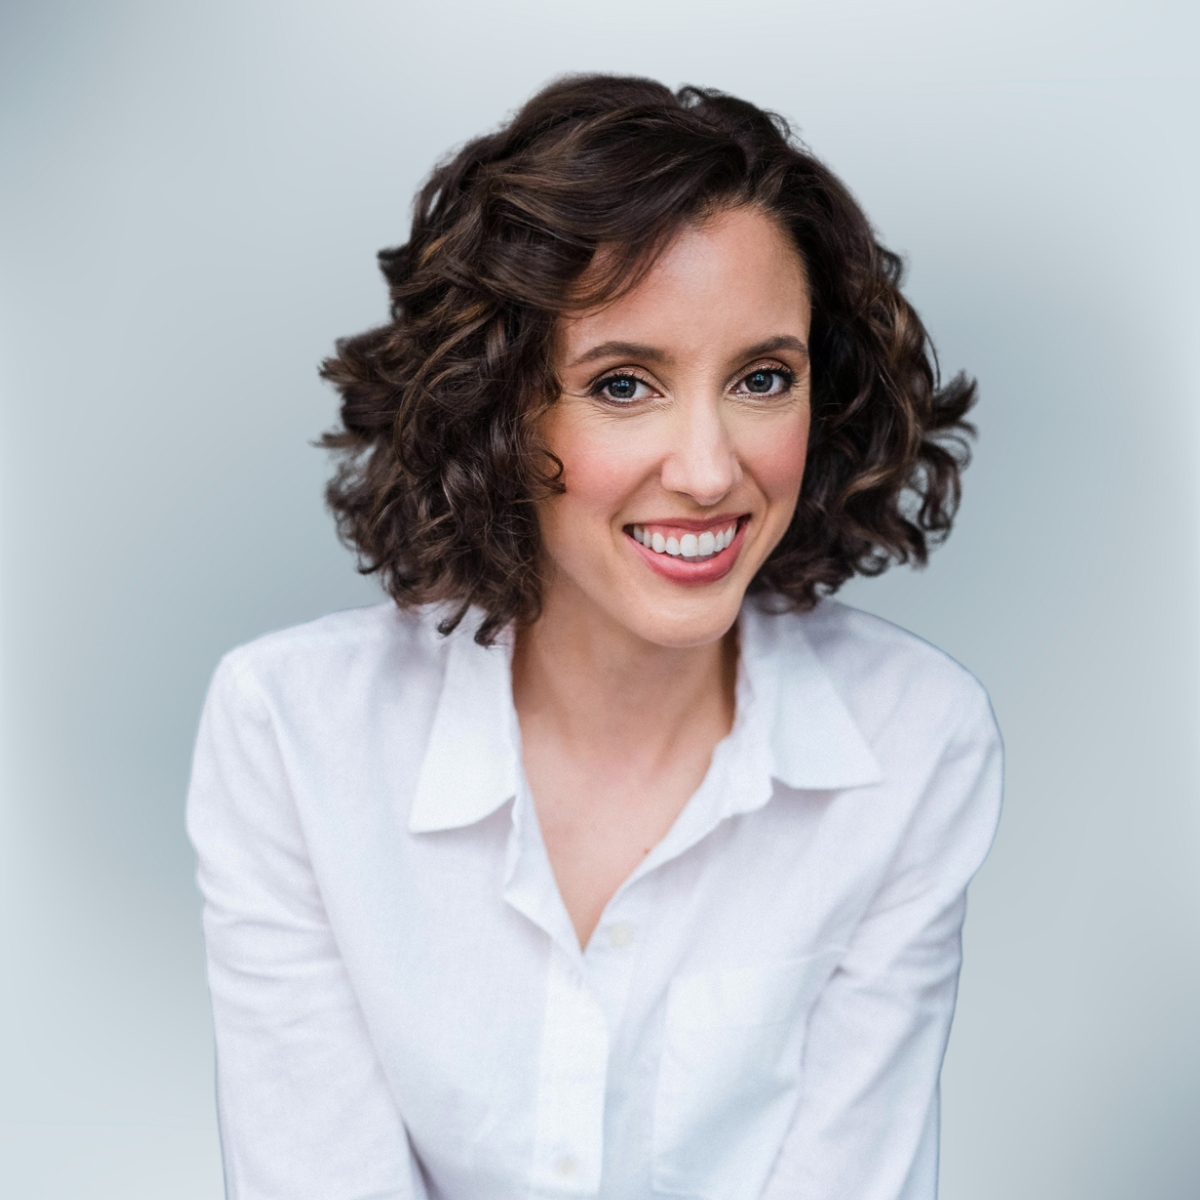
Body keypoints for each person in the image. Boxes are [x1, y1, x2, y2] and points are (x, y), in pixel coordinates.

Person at [186, 75, 1002, 1200]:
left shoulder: (914, 742)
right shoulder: (293, 733)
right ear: (497, 409)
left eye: (765, 378)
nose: (712, 471)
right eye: (624, 385)